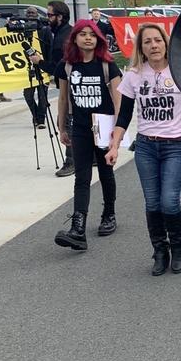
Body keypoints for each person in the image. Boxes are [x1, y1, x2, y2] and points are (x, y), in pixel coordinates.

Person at [106, 24, 181, 276]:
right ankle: (159, 251)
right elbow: (124, 115)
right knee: (152, 202)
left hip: (175, 147)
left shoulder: (180, 72)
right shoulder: (134, 75)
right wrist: (114, 145)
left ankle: (177, 247)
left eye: (157, 40)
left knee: (169, 201)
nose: (153, 45)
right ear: (141, 48)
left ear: (166, 43)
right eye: (147, 42)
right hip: (146, 147)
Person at [53, 20, 122, 251]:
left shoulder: (107, 65)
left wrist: (118, 133)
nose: (87, 38)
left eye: (92, 34)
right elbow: (63, 98)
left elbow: (118, 99)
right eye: (82, 34)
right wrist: (62, 126)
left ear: (99, 38)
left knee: (105, 172)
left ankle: (109, 214)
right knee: (81, 176)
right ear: (74, 38)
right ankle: (78, 227)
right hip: (80, 127)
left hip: (103, 126)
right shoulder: (67, 66)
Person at [29, 1, 74, 177]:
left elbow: (57, 69)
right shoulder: (62, 33)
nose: (47, 19)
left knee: (67, 122)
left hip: (70, 86)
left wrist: (39, 62)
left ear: (60, 17)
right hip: (72, 84)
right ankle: (88, 156)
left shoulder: (63, 39)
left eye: (49, 15)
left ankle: (71, 161)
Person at [22, 6, 53, 129]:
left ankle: (41, 120)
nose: (30, 15)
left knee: (42, 95)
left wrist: (50, 67)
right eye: (28, 12)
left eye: (33, 13)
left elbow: (50, 48)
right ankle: (35, 116)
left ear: (37, 14)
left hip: (42, 66)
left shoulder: (44, 30)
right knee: (28, 95)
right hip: (26, 68)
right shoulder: (21, 29)